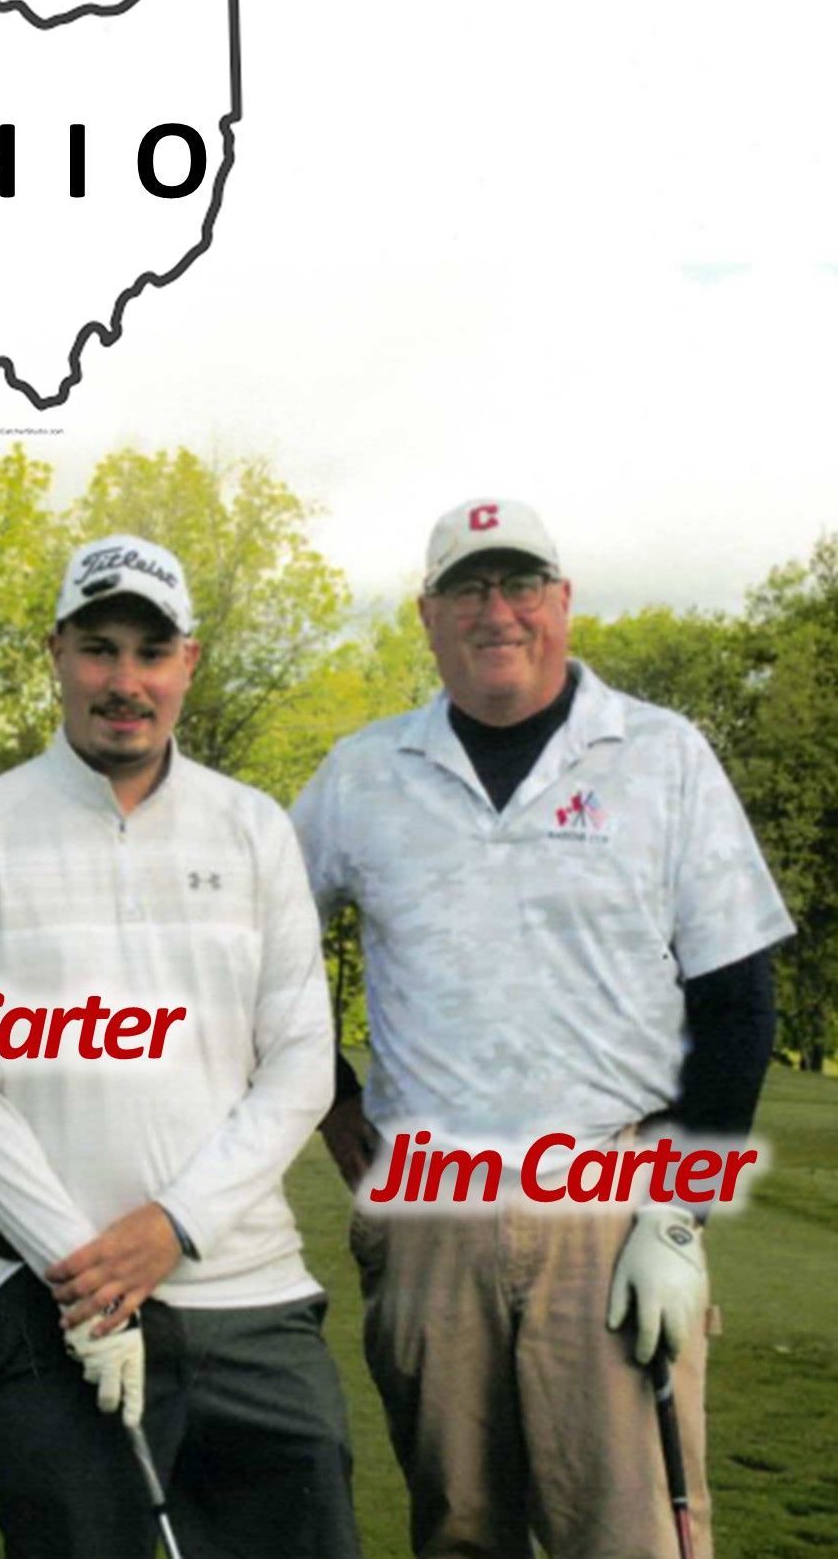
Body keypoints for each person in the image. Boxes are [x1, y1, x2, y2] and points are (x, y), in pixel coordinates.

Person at [292, 498, 794, 1559]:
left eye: (521, 585)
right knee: (460, 1531)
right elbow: (259, 950)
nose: (498, 611)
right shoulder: (362, 773)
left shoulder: (662, 754)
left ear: (562, 602)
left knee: (628, 1536)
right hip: (432, 1209)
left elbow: (739, 999)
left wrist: (676, 1218)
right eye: (469, 588)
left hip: (609, 1205)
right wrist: (331, 1095)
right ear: (427, 616)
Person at [0, 533, 362, 1559]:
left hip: (251, 1297)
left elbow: (299, 1060)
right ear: (57, 652)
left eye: (150, 653)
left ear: (188, 664)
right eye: (99, 648)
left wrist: (172, 1226)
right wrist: (83, 1277)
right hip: (54, 1305)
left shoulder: (251, 830)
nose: (126, 681)